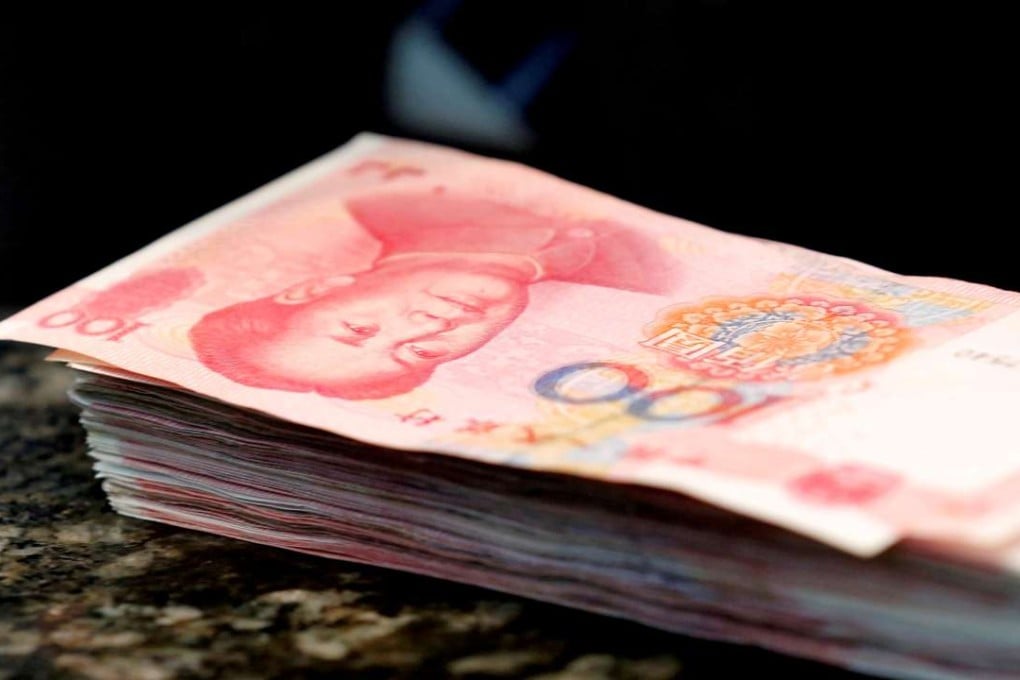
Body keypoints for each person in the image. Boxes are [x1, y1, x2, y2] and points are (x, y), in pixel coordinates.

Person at [189, 191, 675, 399]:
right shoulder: (641, 294)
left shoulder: (394, 202)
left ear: (317, 289)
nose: (430, 327)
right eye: (419, 353)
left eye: (359, 329)